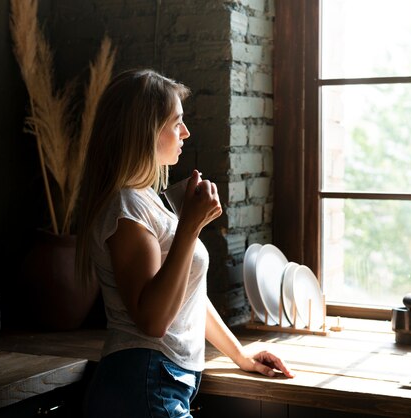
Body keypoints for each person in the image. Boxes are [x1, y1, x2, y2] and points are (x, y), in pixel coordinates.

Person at [75, 69, 293, 418]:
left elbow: (187, 294)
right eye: (177, 122)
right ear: (147, 131)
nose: (186, 132)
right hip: (144, 383)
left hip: (159, 382)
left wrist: (239, 354)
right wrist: (190, 227)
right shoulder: (126, 209)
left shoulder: (147, 200)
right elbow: (153, 320)